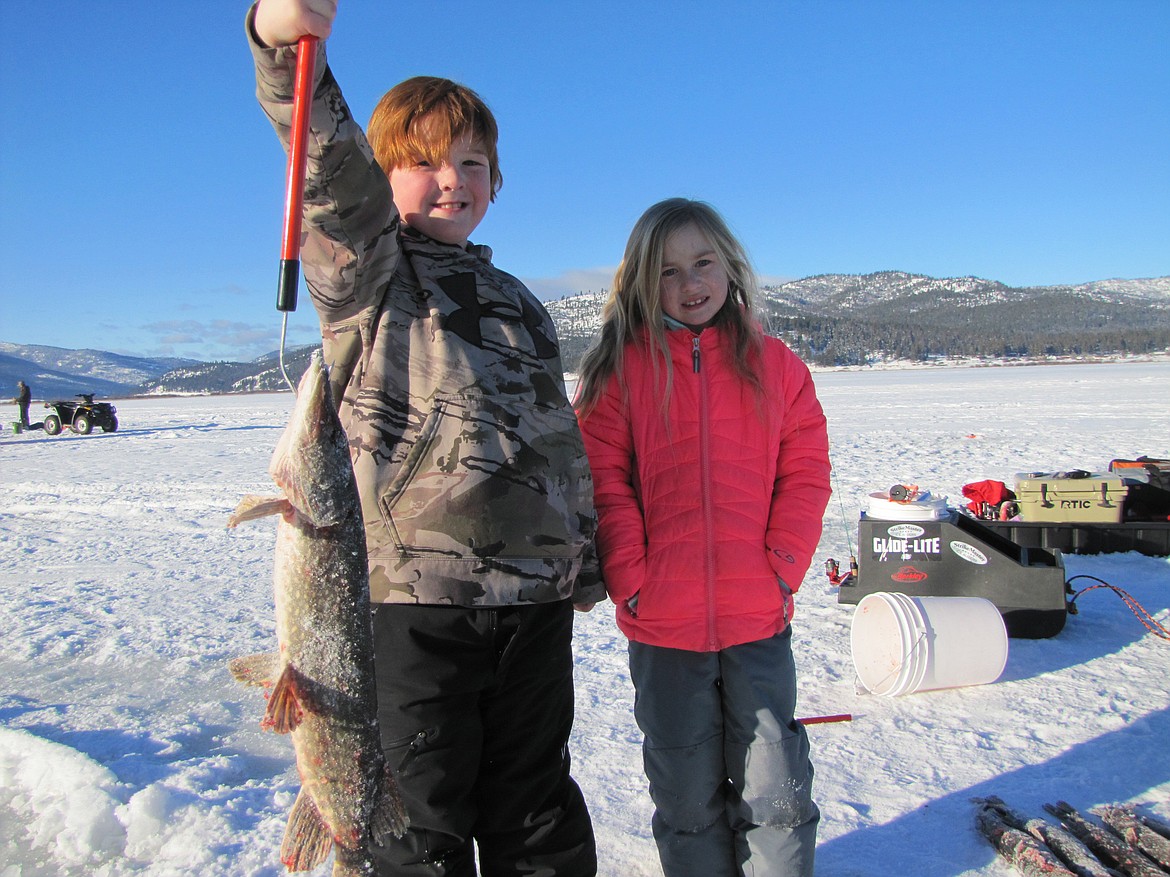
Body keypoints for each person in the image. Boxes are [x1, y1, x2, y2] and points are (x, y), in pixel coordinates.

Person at [246, 2, 603, 875]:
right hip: (412, 601)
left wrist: (582, 559)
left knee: (536, 806)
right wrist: (277, 41)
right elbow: (324, 163)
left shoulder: (522, 303)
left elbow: (555, 441)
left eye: (472, 163)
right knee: (418, 813)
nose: (453, 179)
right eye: (425, 163)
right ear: (386, 175)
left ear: (498, 180)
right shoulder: (369, 271)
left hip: (531, 601)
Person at [574, 198, 831, 877]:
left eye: (703, 263)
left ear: (729, 265)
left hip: (757, 616)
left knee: (774, 784)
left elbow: (806, 474)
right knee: (685, 793)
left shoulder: (777, 367)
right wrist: (632, 577)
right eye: (668, 272)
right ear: (640, 283)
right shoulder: (619, 371)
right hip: (663, 625)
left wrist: (781, 567)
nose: (690, 284)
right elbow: (603, 482)